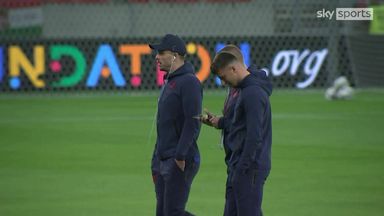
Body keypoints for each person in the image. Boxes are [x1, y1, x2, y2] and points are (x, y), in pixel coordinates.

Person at [208, 50, 272, 216]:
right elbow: (239, 124)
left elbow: (254, 136)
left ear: (234, 69)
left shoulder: (252, 93)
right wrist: (220, 122)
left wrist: (242, 168)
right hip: (240, 165)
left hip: (249, 167)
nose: (223, 83)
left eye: (223, 77)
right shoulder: (245, 91)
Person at [149, 34, 202, 216]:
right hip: (164, 158)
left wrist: (180, 156)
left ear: (175, 54)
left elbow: (192, 122)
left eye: (161, 52)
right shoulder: (172, 81)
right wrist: (157, 157)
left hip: (179, 159)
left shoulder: (189, 82)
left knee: (173, 213)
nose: (157, 56)